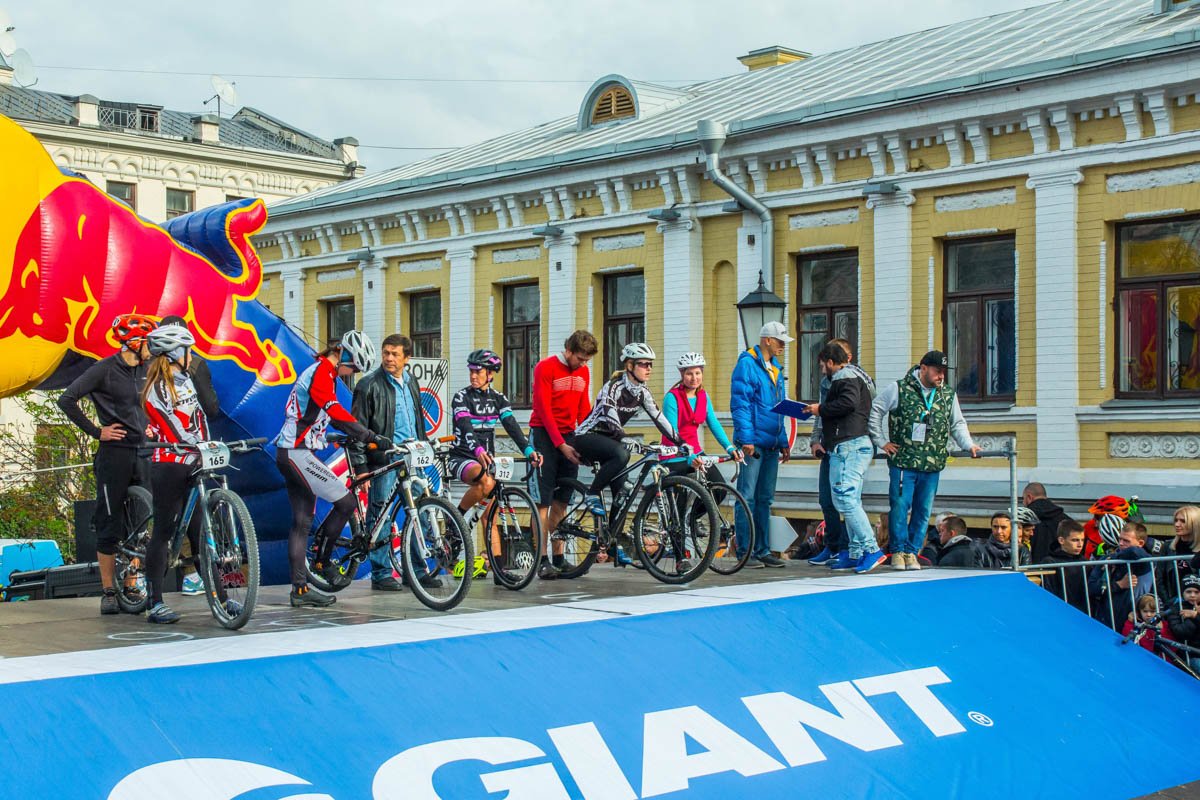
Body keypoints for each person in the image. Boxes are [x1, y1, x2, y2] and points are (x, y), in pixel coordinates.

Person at [275, 331, 391, 608]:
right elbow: (336, 412)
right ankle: (323, 560)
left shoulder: (324, 374)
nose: (351, 375)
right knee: (346, 501)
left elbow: (312, 419)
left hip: (295, 451)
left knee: (302, 523)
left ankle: (300, 590)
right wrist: (369, 436)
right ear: (343, 355)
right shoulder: (321, 373)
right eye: (353, 368)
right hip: (296, 453)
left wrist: (340, 437)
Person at [57, 313, 156, 615]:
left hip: (144, 450)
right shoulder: (104, 369)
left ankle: (131, 581)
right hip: (114, 454)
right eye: (148, 342)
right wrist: (97, 431)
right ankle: (108, 590)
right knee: (110, 523)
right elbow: (67, 399)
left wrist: (152, 425)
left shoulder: (148, 368)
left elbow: (154, 403)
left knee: (143, 521)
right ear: (133, 342)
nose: (152, 348)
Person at [140, 325, 237, 624]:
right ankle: (154, 602)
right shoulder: (155, 389)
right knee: (164, 532)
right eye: (188, 351)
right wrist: (196, 446)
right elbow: (171, 427)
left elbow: (199, 420)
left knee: (199, 532)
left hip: (193, 461)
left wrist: (208, 444)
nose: (192, 355)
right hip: (169, 463)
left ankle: (220, 598)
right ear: (174, 354)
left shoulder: (187, 381)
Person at [869, 350, 981, 571]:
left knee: (923, 510)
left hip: (931, 463)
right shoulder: (899, 388)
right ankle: (898, 551)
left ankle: (911, 552)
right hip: (904, 461)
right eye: (937, 371)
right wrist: (881, 441)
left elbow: (957, 423)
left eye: (943, 373)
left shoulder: (947, 394)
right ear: (923, 369)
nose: (941, 376)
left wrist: (968, 444)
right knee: (900, 506)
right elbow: (876, 409)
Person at [347, 334, 436, 591]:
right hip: (385, 457)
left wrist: (425, 445)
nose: (389, 358)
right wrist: (361, 467)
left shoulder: (411, 381)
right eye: (386, 353)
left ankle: (417, 571)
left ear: (407, 358)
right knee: (381, 515)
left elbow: (417, 419)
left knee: (417, 512)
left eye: (395, 354)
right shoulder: (368, 385)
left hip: (413, 456)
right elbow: (357, 428)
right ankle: (381, 573)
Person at [446, 349, 543, 585]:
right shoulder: (461, 397)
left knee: (491, 516)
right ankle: (454, 520)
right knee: (486, 481)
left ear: (490, 374)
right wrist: (478, 450)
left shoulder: (499, 398)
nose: (473, 376)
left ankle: (499, 571)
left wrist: (529, 450)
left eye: (478, 371)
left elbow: (511, 426)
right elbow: (466, 427)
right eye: (471, 371)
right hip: (462, 457)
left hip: (486, 460)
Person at [575, 343, 684, 517]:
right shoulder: (613, 387)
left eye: (650, 364)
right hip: (587, 436)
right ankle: (592, 493)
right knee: (622, 454)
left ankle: (608, 541)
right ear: (629, 366)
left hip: (611, 441)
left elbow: (658, 417)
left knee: (622, 495)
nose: (649, 368)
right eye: (644, 364)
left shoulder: (643, 392)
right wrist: (623, 437)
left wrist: (680, 442)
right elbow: (610, 416)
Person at [803, 343, 883, 574]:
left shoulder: (843, 376)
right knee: (850, 499)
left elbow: (848, 403)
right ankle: (856, 552)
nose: (822, 370)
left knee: (845, 497)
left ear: (830, 362)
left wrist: (821, 409)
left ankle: (871, 549)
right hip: (853, 444)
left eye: (822, 365)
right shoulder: (861, 375)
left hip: (849, 444)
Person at [660, 352, 744, 567]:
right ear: (682, 374)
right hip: (674, 454)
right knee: (677, 506)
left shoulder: (703, 397)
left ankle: (693, 517)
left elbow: (714, 424)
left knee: (719, 489)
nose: (694, 378)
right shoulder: (672, 397)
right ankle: (680, 559)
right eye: (689, 374)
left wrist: (730, 447)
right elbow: (672, 432)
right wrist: (687, 457)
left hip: (696, 452)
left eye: (698, 373)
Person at [159, 315, 220, 599]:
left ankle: (211, 588)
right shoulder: (169, 374)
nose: (192, 353)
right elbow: (211, 407)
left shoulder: (183, 369)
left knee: (191, 518)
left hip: (189, 451)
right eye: (188, 348)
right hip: (167, 454)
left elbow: (202, 410)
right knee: (165, 525)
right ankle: (155, 594)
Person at [529, 330, 597, 580]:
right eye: (580, 358)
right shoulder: (545, 368)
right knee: (543, 502)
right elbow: (543, 410)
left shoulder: (584, 372)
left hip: (569, 435)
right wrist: (561, 445)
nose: (582, 364)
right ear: (568, 350)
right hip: (544, 435)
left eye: (587, 360)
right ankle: (542, 559)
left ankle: (559, 557)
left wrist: (588, 439)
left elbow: (584, 409)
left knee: (562, 501)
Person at [730, 321, 793, 569]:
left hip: (770, 442)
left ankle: (763, 549)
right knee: (747, 496)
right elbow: (740, 403)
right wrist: (746, 439)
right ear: (767, 340)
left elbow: (779, 408)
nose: (782, 347)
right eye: (780, 342)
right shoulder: (747, 364)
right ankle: (745, 552)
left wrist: (783, 440)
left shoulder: (775, 368)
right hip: (753, 443)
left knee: (765, 498)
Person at [1087, 521, 1152, 631]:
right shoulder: (1106, 559)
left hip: (1132, 621)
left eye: (1126, 541)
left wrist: (1115, 558)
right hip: (1104, 620)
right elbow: (1091, 588)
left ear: (1140, 543)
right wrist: (1119, 585)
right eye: (1120, 539)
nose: (1121, 543)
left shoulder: (1144, 560)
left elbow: (1135, 553)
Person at [1041, 519, 1089, 614]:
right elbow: (1049, 591)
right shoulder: (1050, 562)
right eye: (1075, 540)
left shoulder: (1085, 562)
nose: (1080, 544)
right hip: (1060, 611)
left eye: (1082, 540)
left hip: (1084, 612)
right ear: (1061, 540)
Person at [1022, 482, 1071, 565]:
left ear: (1029, 497)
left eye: (1023, 499)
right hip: (1059, 570)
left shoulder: (1023, 520)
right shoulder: (1065, 520)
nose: (1023, 502)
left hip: (1031, 570)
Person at [1165, 575, 1200, 669]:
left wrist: (1196, 615)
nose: (1193, 595)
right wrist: (1192, 618)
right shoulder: (1175, 608)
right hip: (1190, 655)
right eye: (1188, 592)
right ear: (1182, 593)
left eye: (1196, 592)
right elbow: (1180, 632)